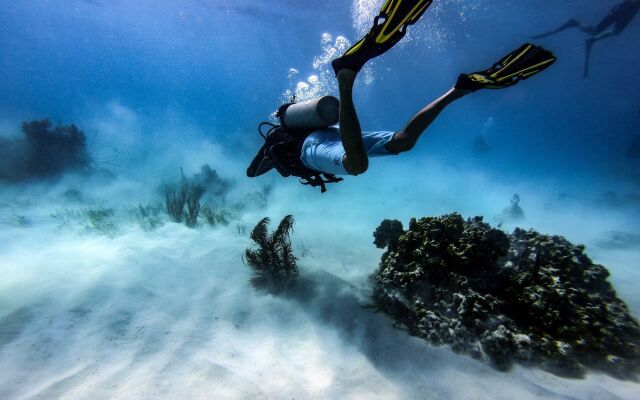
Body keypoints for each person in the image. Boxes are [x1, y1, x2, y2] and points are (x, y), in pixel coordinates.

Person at [248, 0, 556, 192]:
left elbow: (252, 173)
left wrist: (267, 160)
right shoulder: (280, 137)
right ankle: (459, 89)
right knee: (402, 143)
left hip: (312, 148)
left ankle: (346, 77)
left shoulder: (277, 147)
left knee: (356, 166)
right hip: (329, 133)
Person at [532, 0, 640, 77]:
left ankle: (590, 37)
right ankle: (577, 25)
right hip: (626, 8)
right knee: (599, 31)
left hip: (629, 9)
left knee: (612, 31)